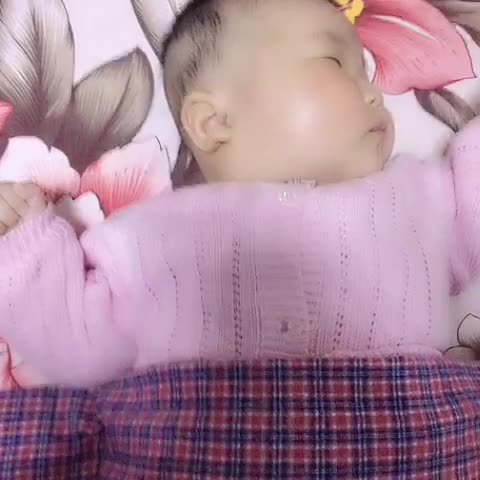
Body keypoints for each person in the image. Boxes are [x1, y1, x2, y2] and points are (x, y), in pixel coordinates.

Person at [0, 0, 477, 387]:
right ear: (213, 121)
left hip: (403, 433)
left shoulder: (424, 197)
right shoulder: (150, 239)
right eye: (336, 63)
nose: (374, 93)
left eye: (367, 73)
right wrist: (28, 245)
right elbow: (76, 348)